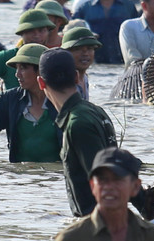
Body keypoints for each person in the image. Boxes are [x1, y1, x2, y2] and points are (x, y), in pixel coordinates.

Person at [38, 48, 117, 215]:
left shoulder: (77, 123)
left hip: (97, 226)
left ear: (41, 83)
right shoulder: (97, 111)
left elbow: (104, 186)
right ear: (76, 77)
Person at [71, 0, 139, 65]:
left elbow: (137, 35)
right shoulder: (84, 9)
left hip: (122, 63)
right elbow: (73, 36)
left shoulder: (128, 7)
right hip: (95, 65)